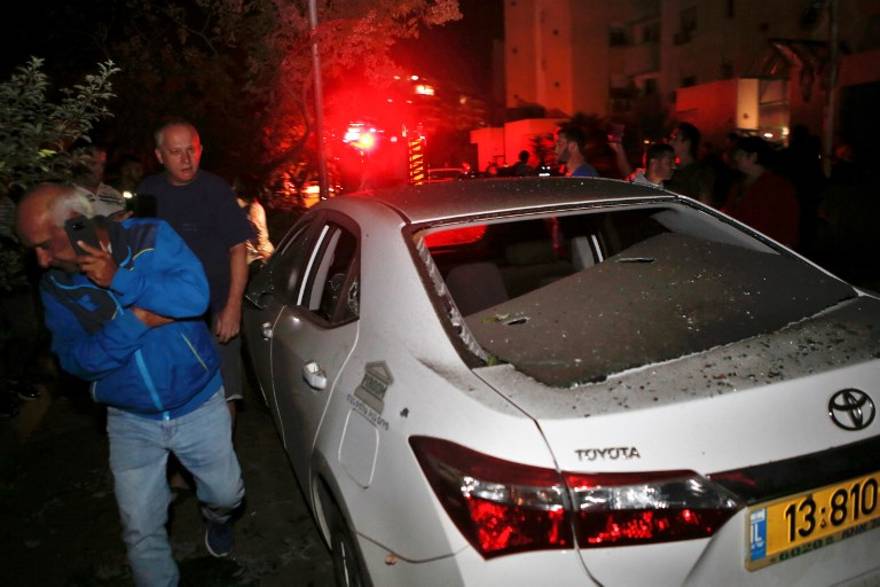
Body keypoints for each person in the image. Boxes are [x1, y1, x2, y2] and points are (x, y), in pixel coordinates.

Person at [15, 184, 245, 585]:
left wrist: (121, 279)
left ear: (75, 225)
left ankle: (217, 519)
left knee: (227, 495)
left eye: (43, 245)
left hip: (197, 402)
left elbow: (193, 299)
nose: (40, 259)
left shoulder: (150, 237)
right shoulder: (55, 288)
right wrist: (135, 320)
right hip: (129, 419)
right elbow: (75, 361)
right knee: (140, 529)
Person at [137, 120, 253, 427]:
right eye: (176, 152)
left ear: (201, 150)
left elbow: (238, 249)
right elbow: (140, 250)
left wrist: (232, 308)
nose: (186, 159)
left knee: (224, 393)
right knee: (175, 393)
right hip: (165, 314)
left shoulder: (215, 190)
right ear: (160, 156)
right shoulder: (149, 192)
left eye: (192, 150)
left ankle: (218, 470)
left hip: (215, 310)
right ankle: (181, 472)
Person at [723, 136, 800, 248]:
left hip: (765, 248)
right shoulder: (738, 185)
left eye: (740, 154)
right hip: (739, 245)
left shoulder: (777, 186)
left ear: (753, 157)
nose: (736, 158)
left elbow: (788, 224)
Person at [666, 122, 715, 205]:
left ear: (687, 143)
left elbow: (705, 208)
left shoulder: (701, 173)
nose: (670, 142)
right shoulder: (670, 170)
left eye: (675, 138)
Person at [73, 145, 128, 219]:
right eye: (93, 164)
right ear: (78, 164)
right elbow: (72, 227)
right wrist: (107, 224)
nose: (100, 170)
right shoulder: (66, 193)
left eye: (103, 165)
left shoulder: (115, 194)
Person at [234, 177, 274, 271]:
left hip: (256, 261)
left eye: (235, 186)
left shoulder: (253, 210)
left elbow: (258, 237)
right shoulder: (253, 207)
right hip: (259, 257)